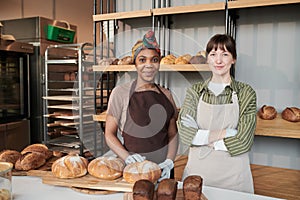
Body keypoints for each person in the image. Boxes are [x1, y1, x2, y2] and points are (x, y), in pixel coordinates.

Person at [177, 34, 256, 193]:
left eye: (225, 54)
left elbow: (244, 141)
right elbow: (186, 134)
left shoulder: (245, 92)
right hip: (197, 177)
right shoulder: (195, 91)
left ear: (233, 59)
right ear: (207, 59)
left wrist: (202, 138)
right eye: (213, 54)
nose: (218, 61)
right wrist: (226, 133)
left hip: (235, 179)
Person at [104, 30, 179, 181]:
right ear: (135, 64)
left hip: (162, 170)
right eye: (142, 60)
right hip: (134, 169)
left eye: (154, 59)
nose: (149, 65)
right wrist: (127, 157)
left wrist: (169, 161)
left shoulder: (167, 95)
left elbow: (173, 135)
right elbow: (109, 134)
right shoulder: (120, 93)